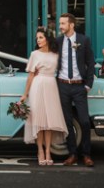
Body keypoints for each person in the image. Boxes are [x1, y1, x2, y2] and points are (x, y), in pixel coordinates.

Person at [21, 27, 68, 166]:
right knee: (39, 122)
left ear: (47, 38)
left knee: (49, 123)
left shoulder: (56, 54)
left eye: (41, 37)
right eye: (37, 38)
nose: (38, 40)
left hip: (51, 86)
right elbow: (30, 76)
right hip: (37, 85)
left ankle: (48, 151)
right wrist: (25, 94)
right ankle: (40, 151)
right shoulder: (34, 54)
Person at [56, 13, 95, 167]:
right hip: (63, 85)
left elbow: (90, 63)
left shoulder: (83, 40)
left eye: (63, 23)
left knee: (85, 121)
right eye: (60, 23)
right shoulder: (58, 41)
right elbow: (41, 49)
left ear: (71, 25)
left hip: (79, 86)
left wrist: (88, 84)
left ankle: (86, 155)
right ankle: (72, 154)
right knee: (67, 121)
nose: (60, 26)